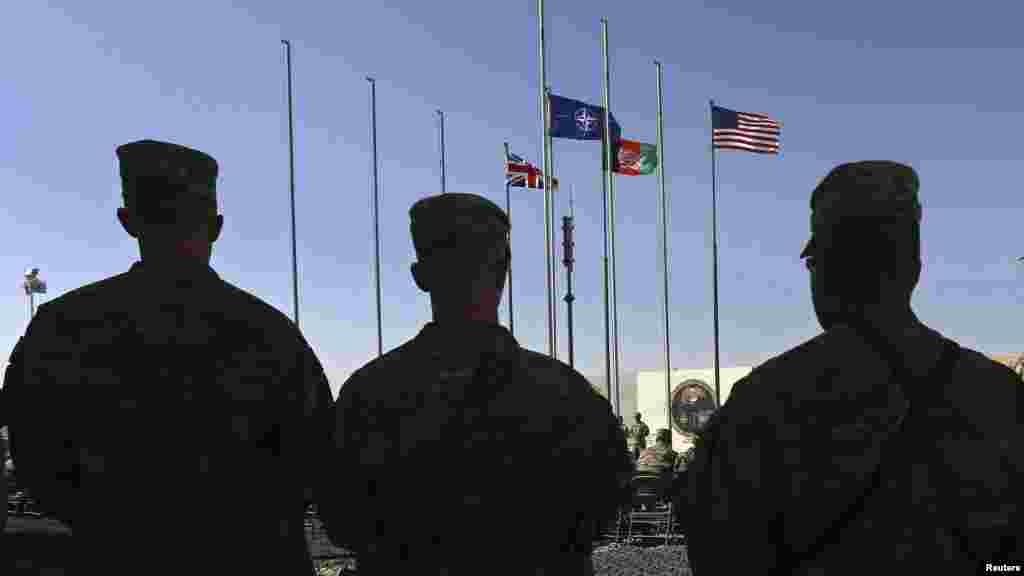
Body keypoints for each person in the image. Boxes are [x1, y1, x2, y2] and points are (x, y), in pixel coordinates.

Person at [3, 139, 335, 574]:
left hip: (115, 557)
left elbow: (37, 463)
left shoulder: (62, 326)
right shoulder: (273, 334)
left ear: (127, 221)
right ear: (216, 227)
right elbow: (318, 461)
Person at [682, 161, 1022, 574]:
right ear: (913, 267)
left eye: (813, 263)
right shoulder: (998, 395)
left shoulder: (764, 402)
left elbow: (718, 553)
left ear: (825, 270)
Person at [319, 193, 632, 575]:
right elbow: (606, 503)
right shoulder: (568, 394)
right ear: (503, 271)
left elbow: (341, 519)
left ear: (420, 276)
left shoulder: (368, 393)